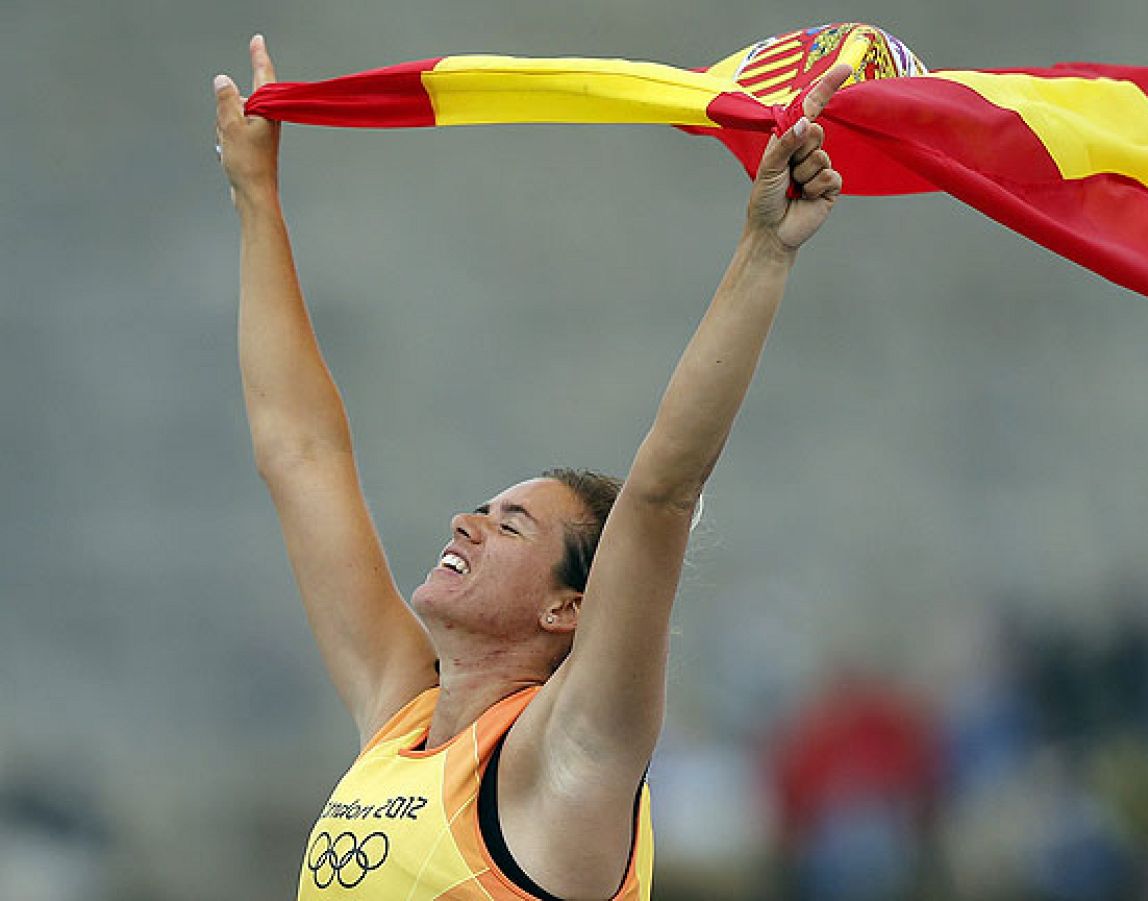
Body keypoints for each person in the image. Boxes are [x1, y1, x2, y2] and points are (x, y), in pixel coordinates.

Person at [213, 34, 848, 900]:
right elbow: (300, 452)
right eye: (483, 509)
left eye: (509, 524)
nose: (463, 523)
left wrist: (765, 251)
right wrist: (256, 196)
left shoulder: (571, 754)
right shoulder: (399, 708)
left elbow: (661, 491)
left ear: (569, 606)